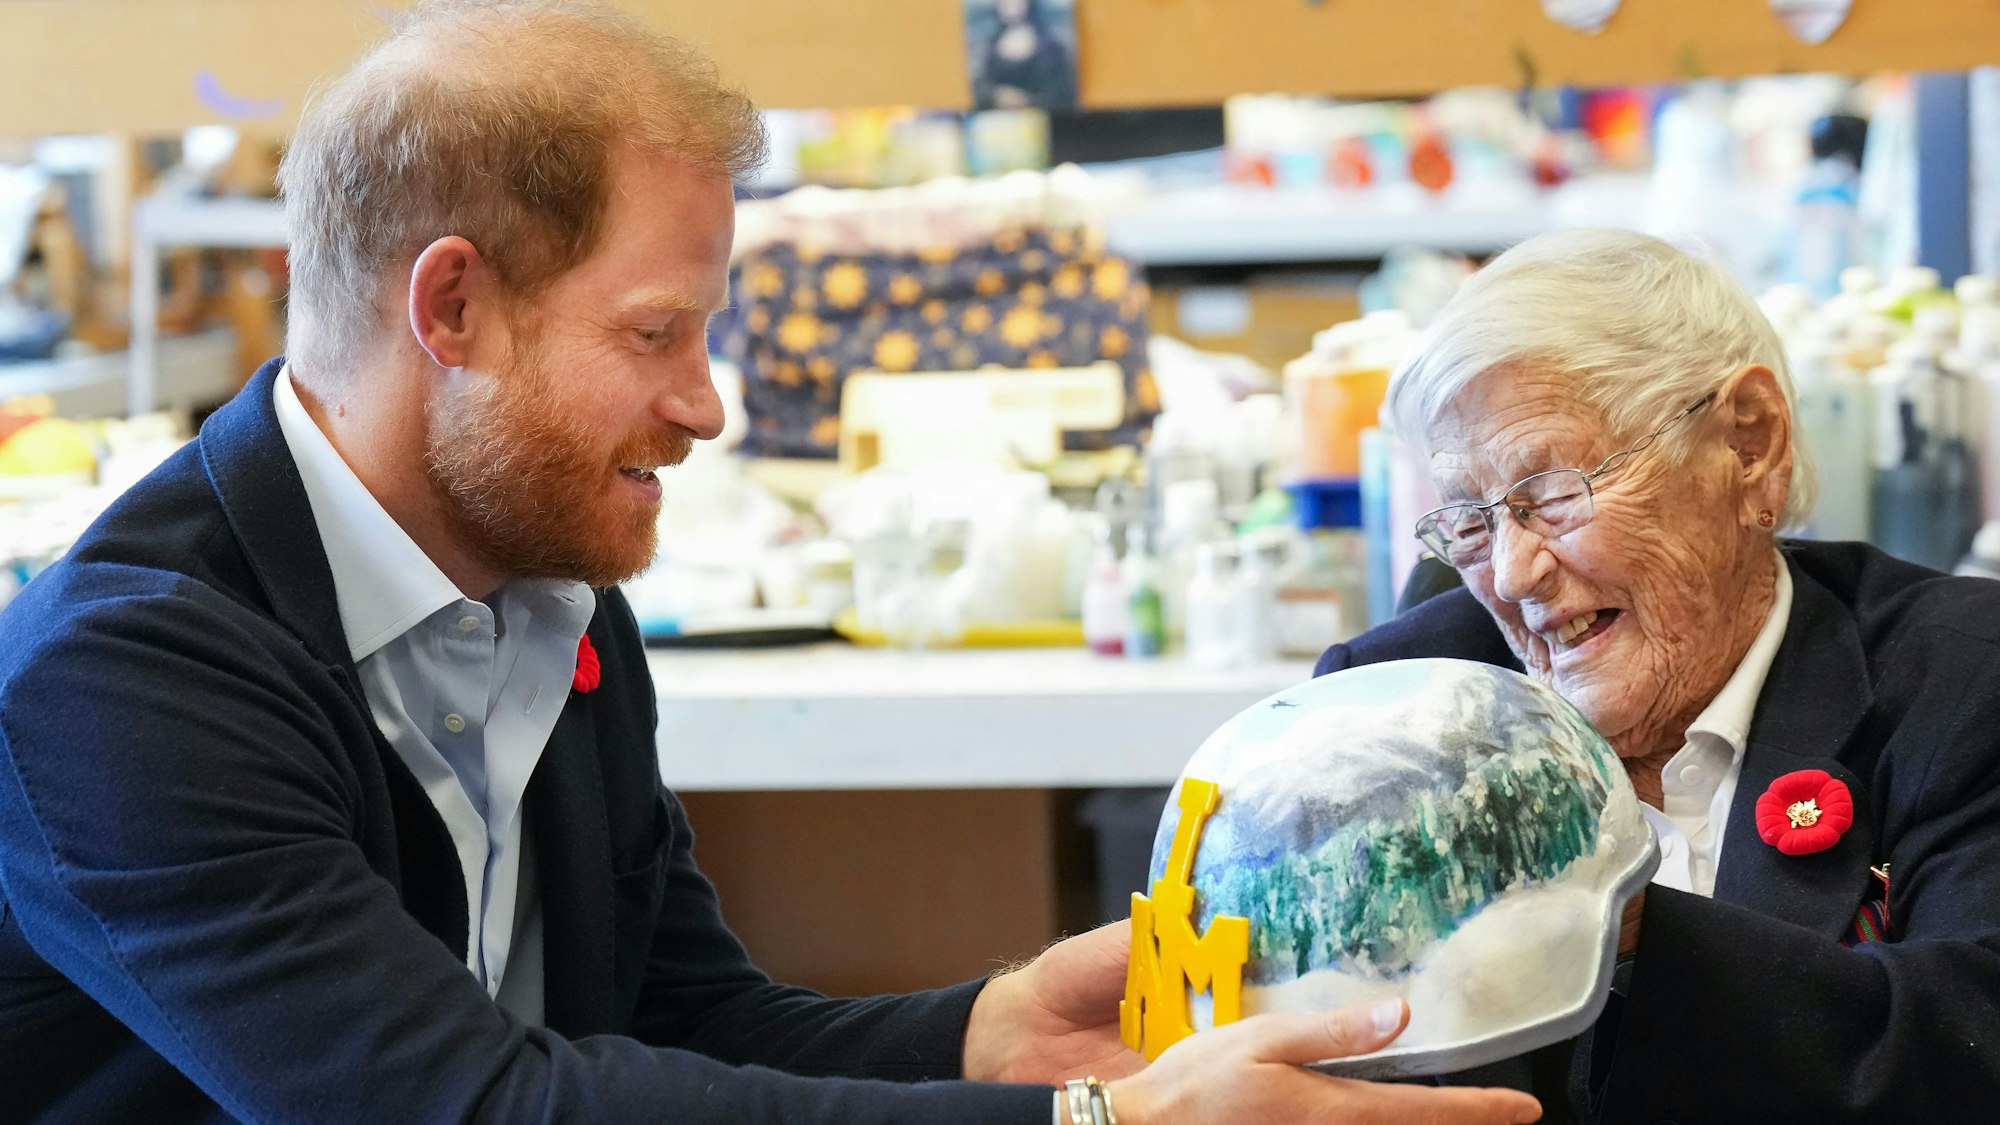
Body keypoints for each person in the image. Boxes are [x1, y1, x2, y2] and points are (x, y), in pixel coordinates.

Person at [0, 3, 1545, 1123]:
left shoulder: (548, 599)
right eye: (656, 332)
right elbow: (457, 1103)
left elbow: (678, 1016)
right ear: (451, 308)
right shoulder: (125, 678)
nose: (707, 404)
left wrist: (986, 1036)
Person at [1317, 228, 2000, 1122]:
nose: (1515, 575)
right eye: (1472, 525)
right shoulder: (1394, 706)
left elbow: (1969, 1044)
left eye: (1554, 493)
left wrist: (1614, 917)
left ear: (1748, 446)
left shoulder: (1960, 679)